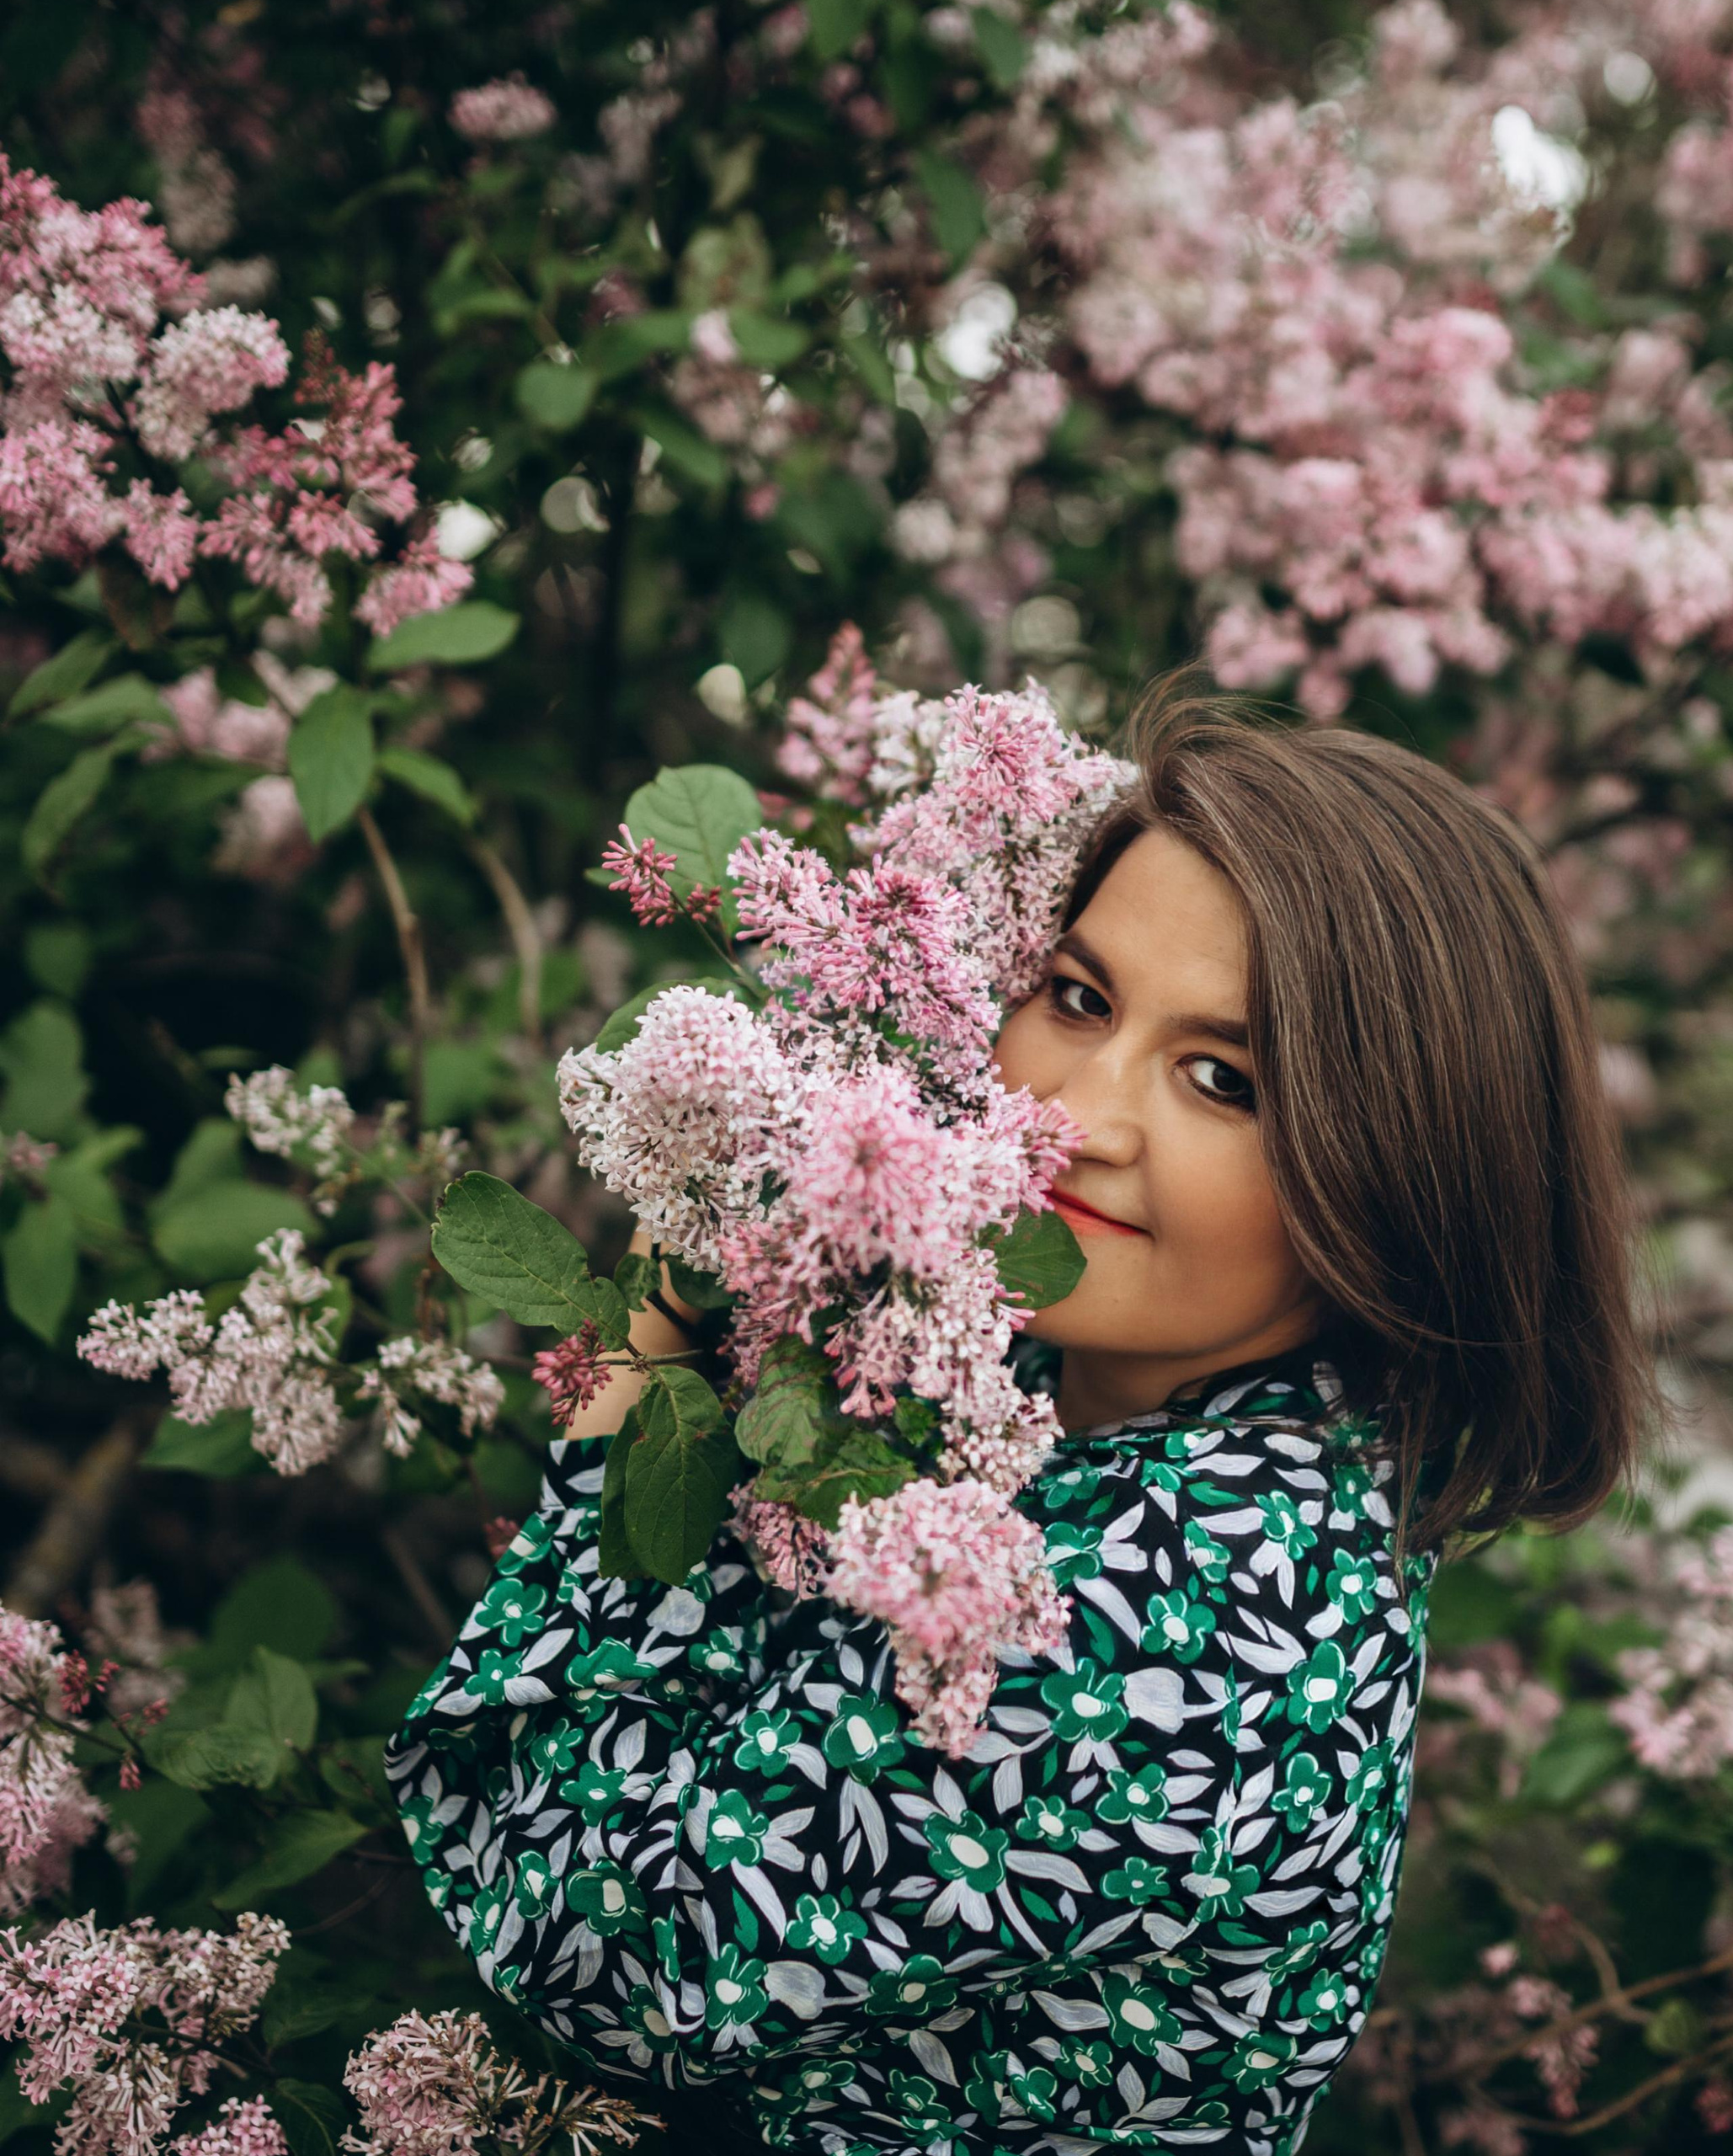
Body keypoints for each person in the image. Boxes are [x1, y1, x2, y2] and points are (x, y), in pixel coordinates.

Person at [386, 684, 1663, 2153]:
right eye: (1077, 997)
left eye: (1222, 1080)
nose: (1073, 1116)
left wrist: (649, 1357)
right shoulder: (1186, 1419)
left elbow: (591, 1957)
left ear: (1396, 1178)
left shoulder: (1169, 1614)